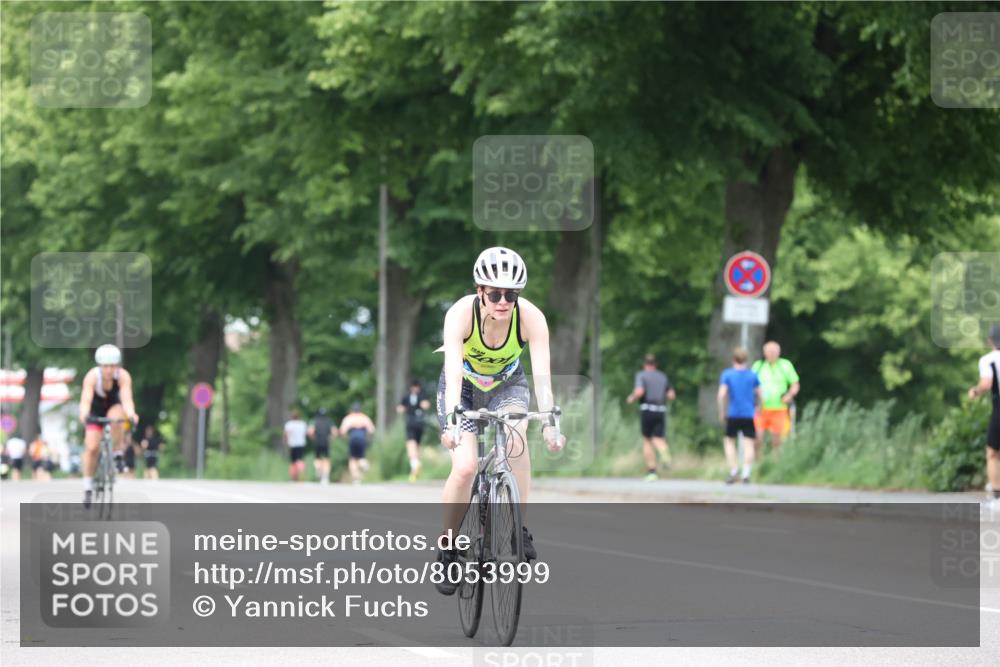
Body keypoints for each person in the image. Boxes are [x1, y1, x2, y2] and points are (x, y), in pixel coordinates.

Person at [434, 247, 564, 596]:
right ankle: (447, 548)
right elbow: (452, 374)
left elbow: (542, 377)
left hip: (508, 386)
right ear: (480, 292)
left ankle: (517, 529)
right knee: (464, 468)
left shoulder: (531, 318)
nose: (503, 301)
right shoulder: (460, 315)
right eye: (495, 294)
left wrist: (551, 424)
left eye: (511, 294)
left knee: (516, 440)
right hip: (461, 389)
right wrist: (450, 421)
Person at [79, 344, 139, 507]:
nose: (108, 370)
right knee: (91, 448)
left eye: (112, 366)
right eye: (105, 366)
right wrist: (84, 414)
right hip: (95, 409)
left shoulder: (123, 376)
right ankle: (88, 487)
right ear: (100, 366)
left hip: (114, 407)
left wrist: (132, 413)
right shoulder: (92, 377)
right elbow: (86, 399)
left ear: (116, 366)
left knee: (117, 417)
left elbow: (127, 399)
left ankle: (117, 451)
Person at [626, 353, 677, 481]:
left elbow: (640, 391)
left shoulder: (641, 375)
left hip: (647, 409)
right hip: (660, 410)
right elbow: (671, 395)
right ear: (656, 364)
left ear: (645, 364)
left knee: (647, 440)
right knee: (659, 439)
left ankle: (652, 471)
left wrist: (631, 398)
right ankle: (665, 455)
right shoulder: (662, 376)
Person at [718, 347, 762, 484]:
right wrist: (759, 407)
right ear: (746, 360)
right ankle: (746, 473)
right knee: (749, 443)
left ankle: (734, 471)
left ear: (733, 359)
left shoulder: (727, 374)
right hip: (749, 413)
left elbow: (721, 395)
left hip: (734, 413)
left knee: (729, 442)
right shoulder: (752, 375)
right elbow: (761, 394)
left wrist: (722, 411)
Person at [968, 324, 1000, 507]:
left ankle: (997, 497)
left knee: (993, 452)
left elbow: (986, 384)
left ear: (990, 341)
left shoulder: (988, 360)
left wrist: (975, 391)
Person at [752, 341, 800, 452]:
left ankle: (775, 464)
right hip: (761, 408)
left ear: (779, 353)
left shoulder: (785, 365)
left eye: (774, 352)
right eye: (769, 352)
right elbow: (751, 385)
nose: (772, 354)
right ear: (765, 353)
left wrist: (789, 395)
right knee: (757, 438)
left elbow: (795, 384)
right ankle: (756, 464)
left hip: (779, 408)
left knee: (777, 440)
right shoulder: (758, 366)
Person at [397, 380, 431, 482]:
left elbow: (400, 409)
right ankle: (414, 473)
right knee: (418, 446)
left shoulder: (407, 396)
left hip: (410, 423)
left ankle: (415, 464)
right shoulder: (422, 395)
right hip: (420, 423)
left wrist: (406, 408)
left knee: (411, 445)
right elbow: (426, 405)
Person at [339, 403, 374, 484]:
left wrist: (346, 438)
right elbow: (371, 430)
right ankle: (364, 464)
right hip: (362, 438)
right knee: (361, 456)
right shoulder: (365, 417)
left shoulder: (348, 418)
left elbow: (342, 431)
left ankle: (356, 479)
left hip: (353, 438)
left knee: (352, 459)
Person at [308, 407, 337, 484]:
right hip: (326, 442)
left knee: (317, 458)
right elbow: (334, 432)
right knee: (326, 459)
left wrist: (312, 438)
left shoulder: (314, 420)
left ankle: (318, 470)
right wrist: (332, 439)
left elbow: (310, 431)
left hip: (317, 441)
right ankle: (325, 476)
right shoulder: (329, 421)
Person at [283, 409, 308, 481]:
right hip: (301, 444)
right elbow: (305, 434)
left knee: (293, 462)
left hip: (292, 444)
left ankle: (294, 478)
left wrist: (285, 442)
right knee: (300, 460)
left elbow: (286, 435)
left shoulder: (289, 424)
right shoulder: (302, 424)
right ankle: (302, 473)